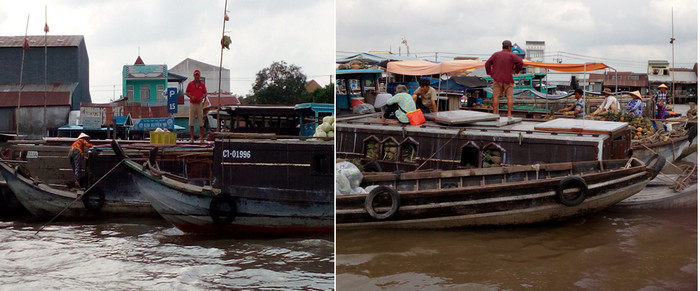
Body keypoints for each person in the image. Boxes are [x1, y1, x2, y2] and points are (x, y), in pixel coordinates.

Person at [485, 40, 524, 118]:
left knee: (495, 96)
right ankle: (509, 114)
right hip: (508, 79)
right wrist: (516, 70)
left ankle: (494, 114)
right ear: (509, 47)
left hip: (497, 79)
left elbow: (487, 64)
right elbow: (520, 62)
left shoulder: (496, 55)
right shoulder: (511, 55)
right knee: (509, 97)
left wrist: (490, 73)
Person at [185, 69, 208, 143]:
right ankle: (192, 138)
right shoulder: (190, 84)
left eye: (198, 75)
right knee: (191, 121)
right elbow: (187, 92)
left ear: (199, 76)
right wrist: (191, 96)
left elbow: (205, 93)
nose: (197, 76)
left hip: (199, 104)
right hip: (192, 104)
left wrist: (202, 97)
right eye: (195, 75)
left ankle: (201, 138)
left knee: (201, 121)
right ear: (194, 76)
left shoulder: (202, 85)